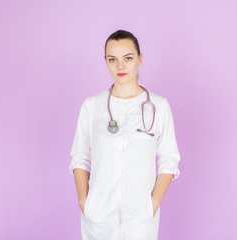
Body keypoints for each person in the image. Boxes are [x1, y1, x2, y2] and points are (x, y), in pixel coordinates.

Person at [69, 29, 181, 240]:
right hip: (98, 217)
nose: (120, 66)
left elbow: (169, 159)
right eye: (113, 59)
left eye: (128, 58)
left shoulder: (158, 107)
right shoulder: (92, 107)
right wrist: (84, 201)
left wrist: (152, 204)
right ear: (106, 61)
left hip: (139, 219)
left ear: (139, 58)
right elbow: (80, 156)